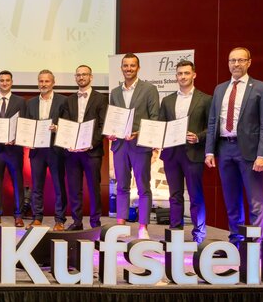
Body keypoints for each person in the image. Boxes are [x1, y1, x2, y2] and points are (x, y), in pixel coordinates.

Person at [205, 47, 263, 241]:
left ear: (249, 62)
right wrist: (209, 151)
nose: (236, 64)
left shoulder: (261, 88)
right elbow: (213, 122)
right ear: (228, 63)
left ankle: (255, 246)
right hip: (224, 149)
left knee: (255, 202)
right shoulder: (220, 89)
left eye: (241, 60)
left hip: (250, 152)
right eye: (232, 60)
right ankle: (236, 242)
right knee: (231, 201)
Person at [107, 53, 159, 239]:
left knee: (143, 187)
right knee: (121, 186)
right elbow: (112, 117)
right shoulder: (115, 92)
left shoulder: (149, 89)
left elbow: (155, 118)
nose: (128, 68)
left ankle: (143, 227)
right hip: (120, 145)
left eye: (132, 65)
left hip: (140, 145)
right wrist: (111, 132)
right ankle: (120, 224)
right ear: (121, 68)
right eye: (125, 65)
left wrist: (140, 133)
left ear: (138, 68)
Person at [159, 60, 211, 242]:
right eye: (180, 73)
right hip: (171, 154)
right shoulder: (167, 100)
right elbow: (161, 126)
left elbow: (212, 127)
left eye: (186, 73)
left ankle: (199, 235)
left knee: (196, 196)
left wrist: (198, 137)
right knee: (174, 196)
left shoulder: (205, 99)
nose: (183, 77)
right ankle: (175, 234)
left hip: (193, 153)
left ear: (194, 75)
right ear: (176, 76)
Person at [61, 64, 108, 230]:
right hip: (72, 152)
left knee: (94, 188)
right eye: (78, 75)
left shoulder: (101, 99)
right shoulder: (69, 100)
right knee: (74, 189)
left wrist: (90, 144)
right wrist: (68, 143)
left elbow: (103, 126)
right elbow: (66, 124)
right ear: (75, 78)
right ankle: (77, 222)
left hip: (92, 152)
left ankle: (95, 222)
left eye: (84, 74)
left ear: (91, 77)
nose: (81, 77)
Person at [24, 69, 67, 230]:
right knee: (36, 186)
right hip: (37, 150)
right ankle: (37, 218)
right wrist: (27, 140)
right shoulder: (30, 103)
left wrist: (58, 128)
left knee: (59, 186)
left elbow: (68, 124)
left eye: (47, 81)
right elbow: (26, 125)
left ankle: (60, 220)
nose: (43, 84)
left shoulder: (63, 101)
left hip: (56, 149)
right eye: (41, 81)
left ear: (53, 83)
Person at [0, 70, 26, 227]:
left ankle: (19, 215)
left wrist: (18, 137)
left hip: (14, 150)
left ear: (11, 82)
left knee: (17, 183)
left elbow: (24, 123)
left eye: (7, 80)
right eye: (1, 80)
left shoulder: (21, 101)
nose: (4, 83)